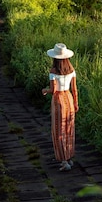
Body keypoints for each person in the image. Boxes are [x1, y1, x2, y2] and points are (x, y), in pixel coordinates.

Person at [42, 43, 79, 171]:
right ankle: (69, 157)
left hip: (58, 100)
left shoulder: (53, 72)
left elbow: (53, 89)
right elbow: (74, 89)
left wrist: (45, 90)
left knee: (58, 129)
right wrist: (76, 103)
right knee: (69, 128)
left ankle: (64, 161)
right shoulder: (71, 69)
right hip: (68, 98)